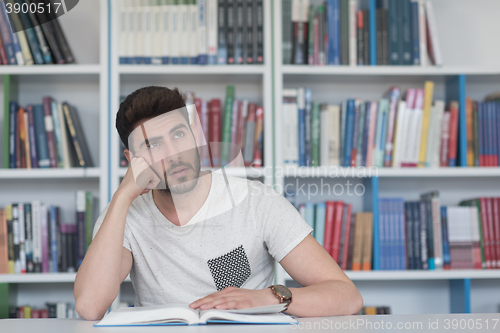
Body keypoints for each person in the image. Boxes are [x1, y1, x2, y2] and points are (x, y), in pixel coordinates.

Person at [74, 86, 363, 321]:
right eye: (153, 145)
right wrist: (123, 195)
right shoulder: (124, 215)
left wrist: (267, 298)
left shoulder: (257, 202)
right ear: (132, 161)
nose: (174, 154)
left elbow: (347, 296)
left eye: (178, 135)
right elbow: (90, 306)